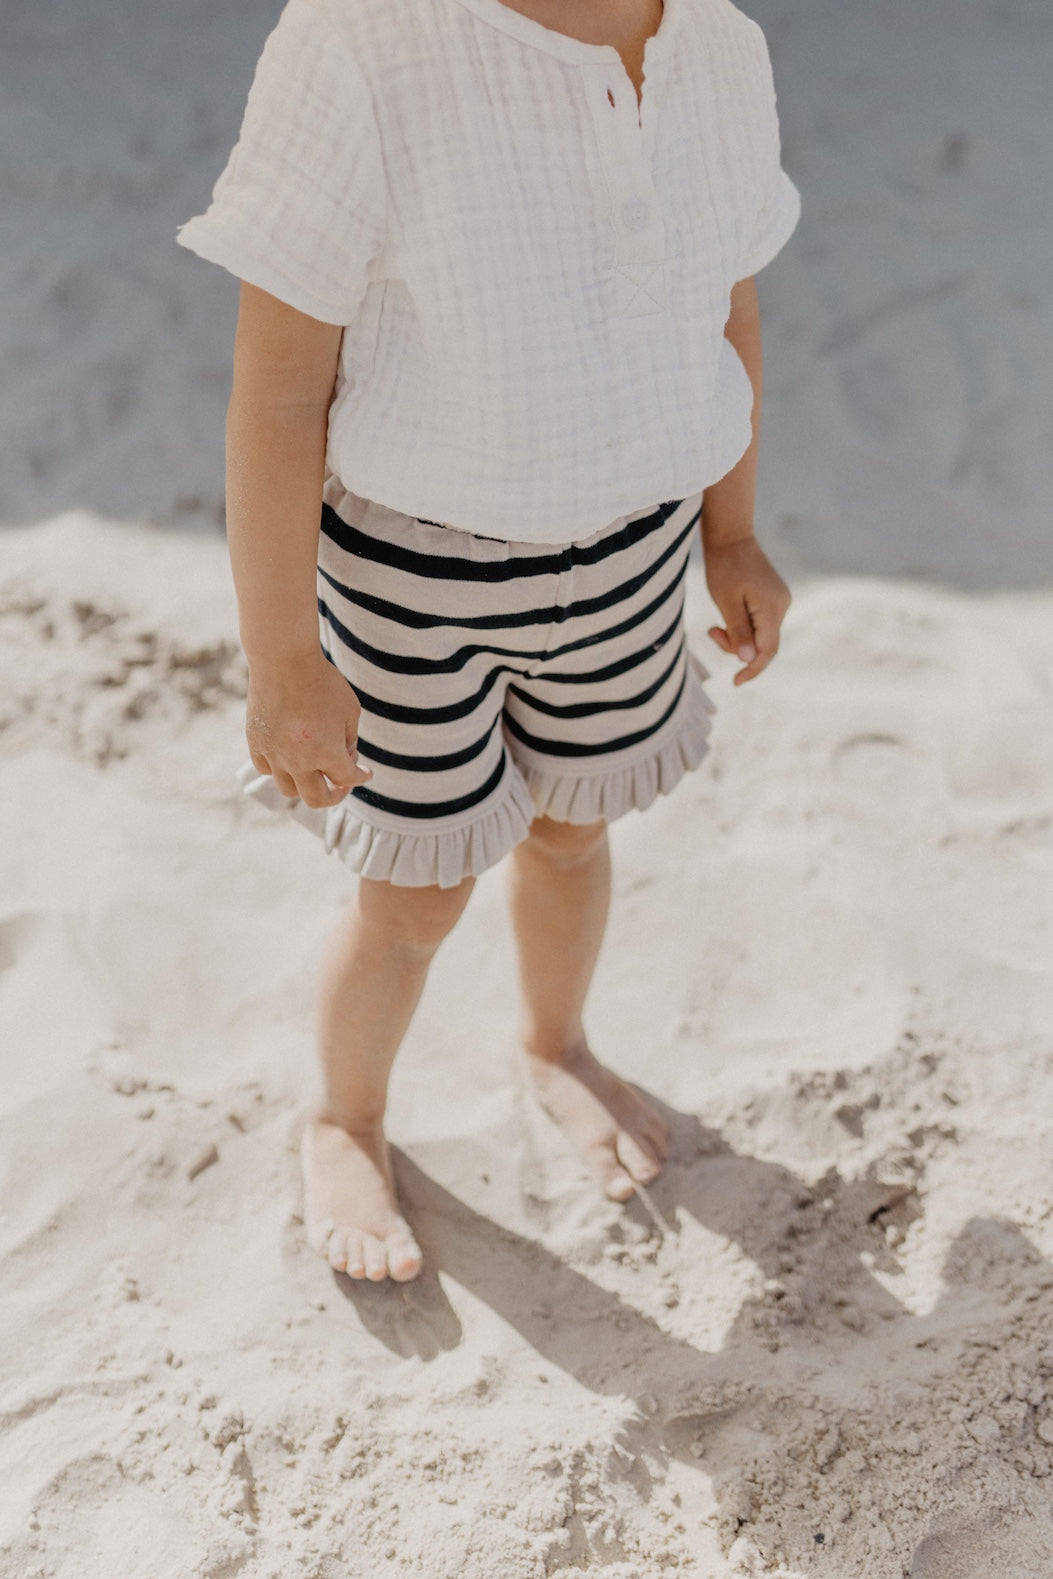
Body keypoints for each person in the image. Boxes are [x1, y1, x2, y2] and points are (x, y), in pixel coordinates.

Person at [178, 0, 799, 1284]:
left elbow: (724, 307)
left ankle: (553, 1041)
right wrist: (283, 654)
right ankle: (345, 1118)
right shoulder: (362, 47)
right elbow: (281, 386)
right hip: (417, 575)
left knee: (575, 831)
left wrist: (729, 533)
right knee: (415, 890)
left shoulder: (719, 49)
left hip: (634, 552)